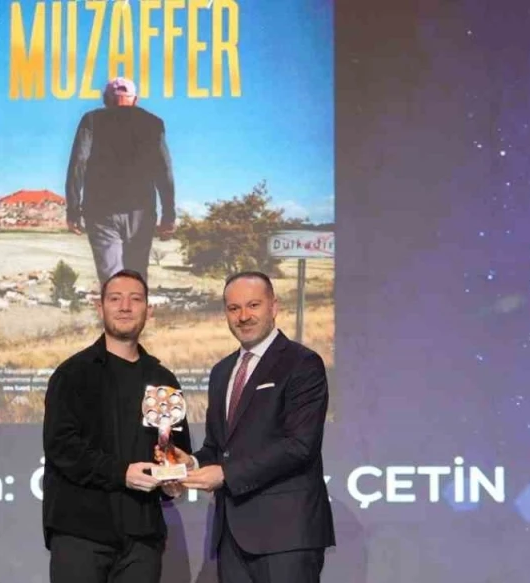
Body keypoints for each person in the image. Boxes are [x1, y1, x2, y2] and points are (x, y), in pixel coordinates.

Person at [162, 271, 335, 583]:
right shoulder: (222, 371)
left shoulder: (302, 363)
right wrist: (192, 463)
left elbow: (300, 445)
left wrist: (226, 474)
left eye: (253, 305)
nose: (243, 316)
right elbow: (219, 447)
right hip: (231, 536)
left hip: (287, 535)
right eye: (234, 308)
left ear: (274, 306)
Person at [41, 269, 193, 582]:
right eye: (115, 299)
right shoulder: (73, 374)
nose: (125, 306)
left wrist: (174, 476)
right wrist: (121, 473)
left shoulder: (163, 380)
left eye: (135, 299)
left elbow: (177, 450)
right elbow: (61, 447)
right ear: (100, 307)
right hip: (80, 532)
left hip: (143, 537)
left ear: (148, 310)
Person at [64, 76, 176, 285]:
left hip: (100, 210)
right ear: (136, 99)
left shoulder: (91, 120)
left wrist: (73, 209)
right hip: (141, 210)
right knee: (136, 278)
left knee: (112, 281)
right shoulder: (153, 123)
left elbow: (79, 162)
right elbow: (164, 169)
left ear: (105, 99)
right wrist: (168, 213)